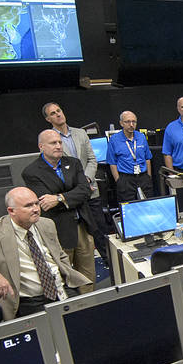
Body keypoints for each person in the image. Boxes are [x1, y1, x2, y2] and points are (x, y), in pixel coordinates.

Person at [0, 187, 91, 319]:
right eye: (28, 206)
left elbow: (59, 255)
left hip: (62, 290)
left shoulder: (46, 224)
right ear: (12, 211)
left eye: (36, 203)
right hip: (30, 301)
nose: (36, 209)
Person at [22, 130, 97, 294]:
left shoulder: (74, 163)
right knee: (63, 277)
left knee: (88, 276)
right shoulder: (31, 172)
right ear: (41, 147)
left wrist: (59, 198)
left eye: (60, 142)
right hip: (58, 230)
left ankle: (90, 305)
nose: (58, 146)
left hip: (82, 225)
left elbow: (85, 190)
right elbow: (45, 203)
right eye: (53, 143)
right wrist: (71, 196)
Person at [42, 101, 109, 266]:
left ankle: (109, 261)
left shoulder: (80, 133)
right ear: (47, 119)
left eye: (59, 110)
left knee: (100, 228)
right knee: (80, 234)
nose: (58, 114)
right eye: (53, 113)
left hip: (91, 189)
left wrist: (85, 180)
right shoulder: (49, 139)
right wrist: (80, 187)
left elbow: (92, 160)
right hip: (71, 196)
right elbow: (55, 168)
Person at [106, 111, 153, 203]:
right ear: (121, 123)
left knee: (148, 205)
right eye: (127, 122)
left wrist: (148, 176)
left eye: (134, 122)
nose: (131, 125)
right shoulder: (114, 140)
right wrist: (118, 180)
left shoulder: (141, 137)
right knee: (128, 208)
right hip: (126, 179)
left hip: (143, 177)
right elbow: (112, 162)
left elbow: (147, 158)